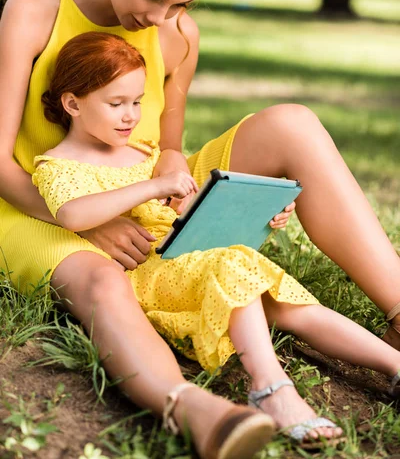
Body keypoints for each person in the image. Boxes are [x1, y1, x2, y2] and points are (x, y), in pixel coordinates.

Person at [0, 0, 398, 450]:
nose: (160, 18)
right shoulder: (34, 11)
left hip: (140, 187)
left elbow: (168, 145)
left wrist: (221, 198)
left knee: (294, 124)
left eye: (178, 4)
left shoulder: (178, 31)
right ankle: (193, 410)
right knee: (99, 278)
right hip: (38, 200)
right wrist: (86, 224)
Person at [33, 32, 400, 445]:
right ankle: (270, 389)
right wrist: (153, 188)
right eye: (115, 104)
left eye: (137, 102)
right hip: (150, 275)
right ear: (72, 103)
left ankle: (394, 364)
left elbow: (180, 211)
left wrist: (260, 212)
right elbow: (72, 213)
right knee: (236, 273)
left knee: (289, 305)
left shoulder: (142, 154)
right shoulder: (58, 165)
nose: (130, 116)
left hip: (189, 254)